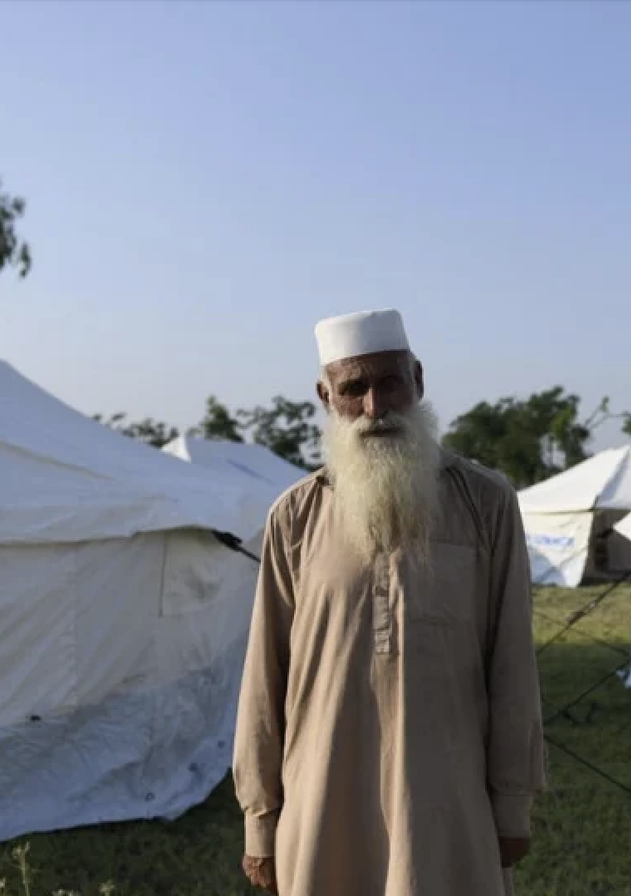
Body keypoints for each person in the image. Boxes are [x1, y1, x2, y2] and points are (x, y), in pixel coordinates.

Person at [232, 308, 546, 896]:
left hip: (448, 809)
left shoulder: (486, 503)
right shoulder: (295, 516)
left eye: (389, 382)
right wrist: (260, 821)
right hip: (321, 805)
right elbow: (262, 682)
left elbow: (512, 668)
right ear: (327, 397)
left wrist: (512, 803)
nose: (375, 407)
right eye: (354, 388)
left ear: (418, 380)